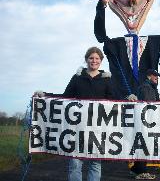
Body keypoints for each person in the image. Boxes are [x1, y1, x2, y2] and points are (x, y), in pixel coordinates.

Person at [35, 47, 113, 181]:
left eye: (97, 58)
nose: (94, 61)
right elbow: (65, 98)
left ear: (101, 61)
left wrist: (130, 99)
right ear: (86, 59)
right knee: (75, 164)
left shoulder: (107, 80)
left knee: (95, 164)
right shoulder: (77, 78)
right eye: (91, 58)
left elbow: (114, 100)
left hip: (98, 130)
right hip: (77, 130)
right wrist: (45, 96)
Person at [129, 69, 160, 180]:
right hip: (147, 122)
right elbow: (149, 106)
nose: (157, 77)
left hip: (143, 121)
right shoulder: (147, 88)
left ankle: (136, 169)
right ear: (149, 76)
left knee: (142, 145)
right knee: (145, 146)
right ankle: (142, 171)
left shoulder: (147, 87)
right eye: (155, 75)